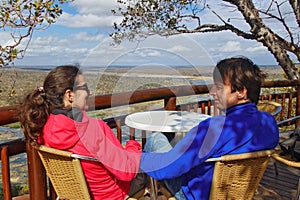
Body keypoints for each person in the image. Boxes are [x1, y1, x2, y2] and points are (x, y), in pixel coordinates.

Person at [140, 57, 279, 199]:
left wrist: (135, 158)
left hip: (196, 194)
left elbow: (168, 168)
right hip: (235, 194)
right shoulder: (269, 123)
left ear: (241, 92)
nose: (212, 91)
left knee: (155, 139)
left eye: (218, 87)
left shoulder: (214, 128)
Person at [19, 65, 144, 200]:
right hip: (113, 195)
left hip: (76, 196)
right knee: (153, 157)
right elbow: (126, 172)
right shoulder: (94, 129)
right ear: (70, 95)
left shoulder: (44, 129)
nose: (89, 93)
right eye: (85, 88)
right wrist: (133, 147)